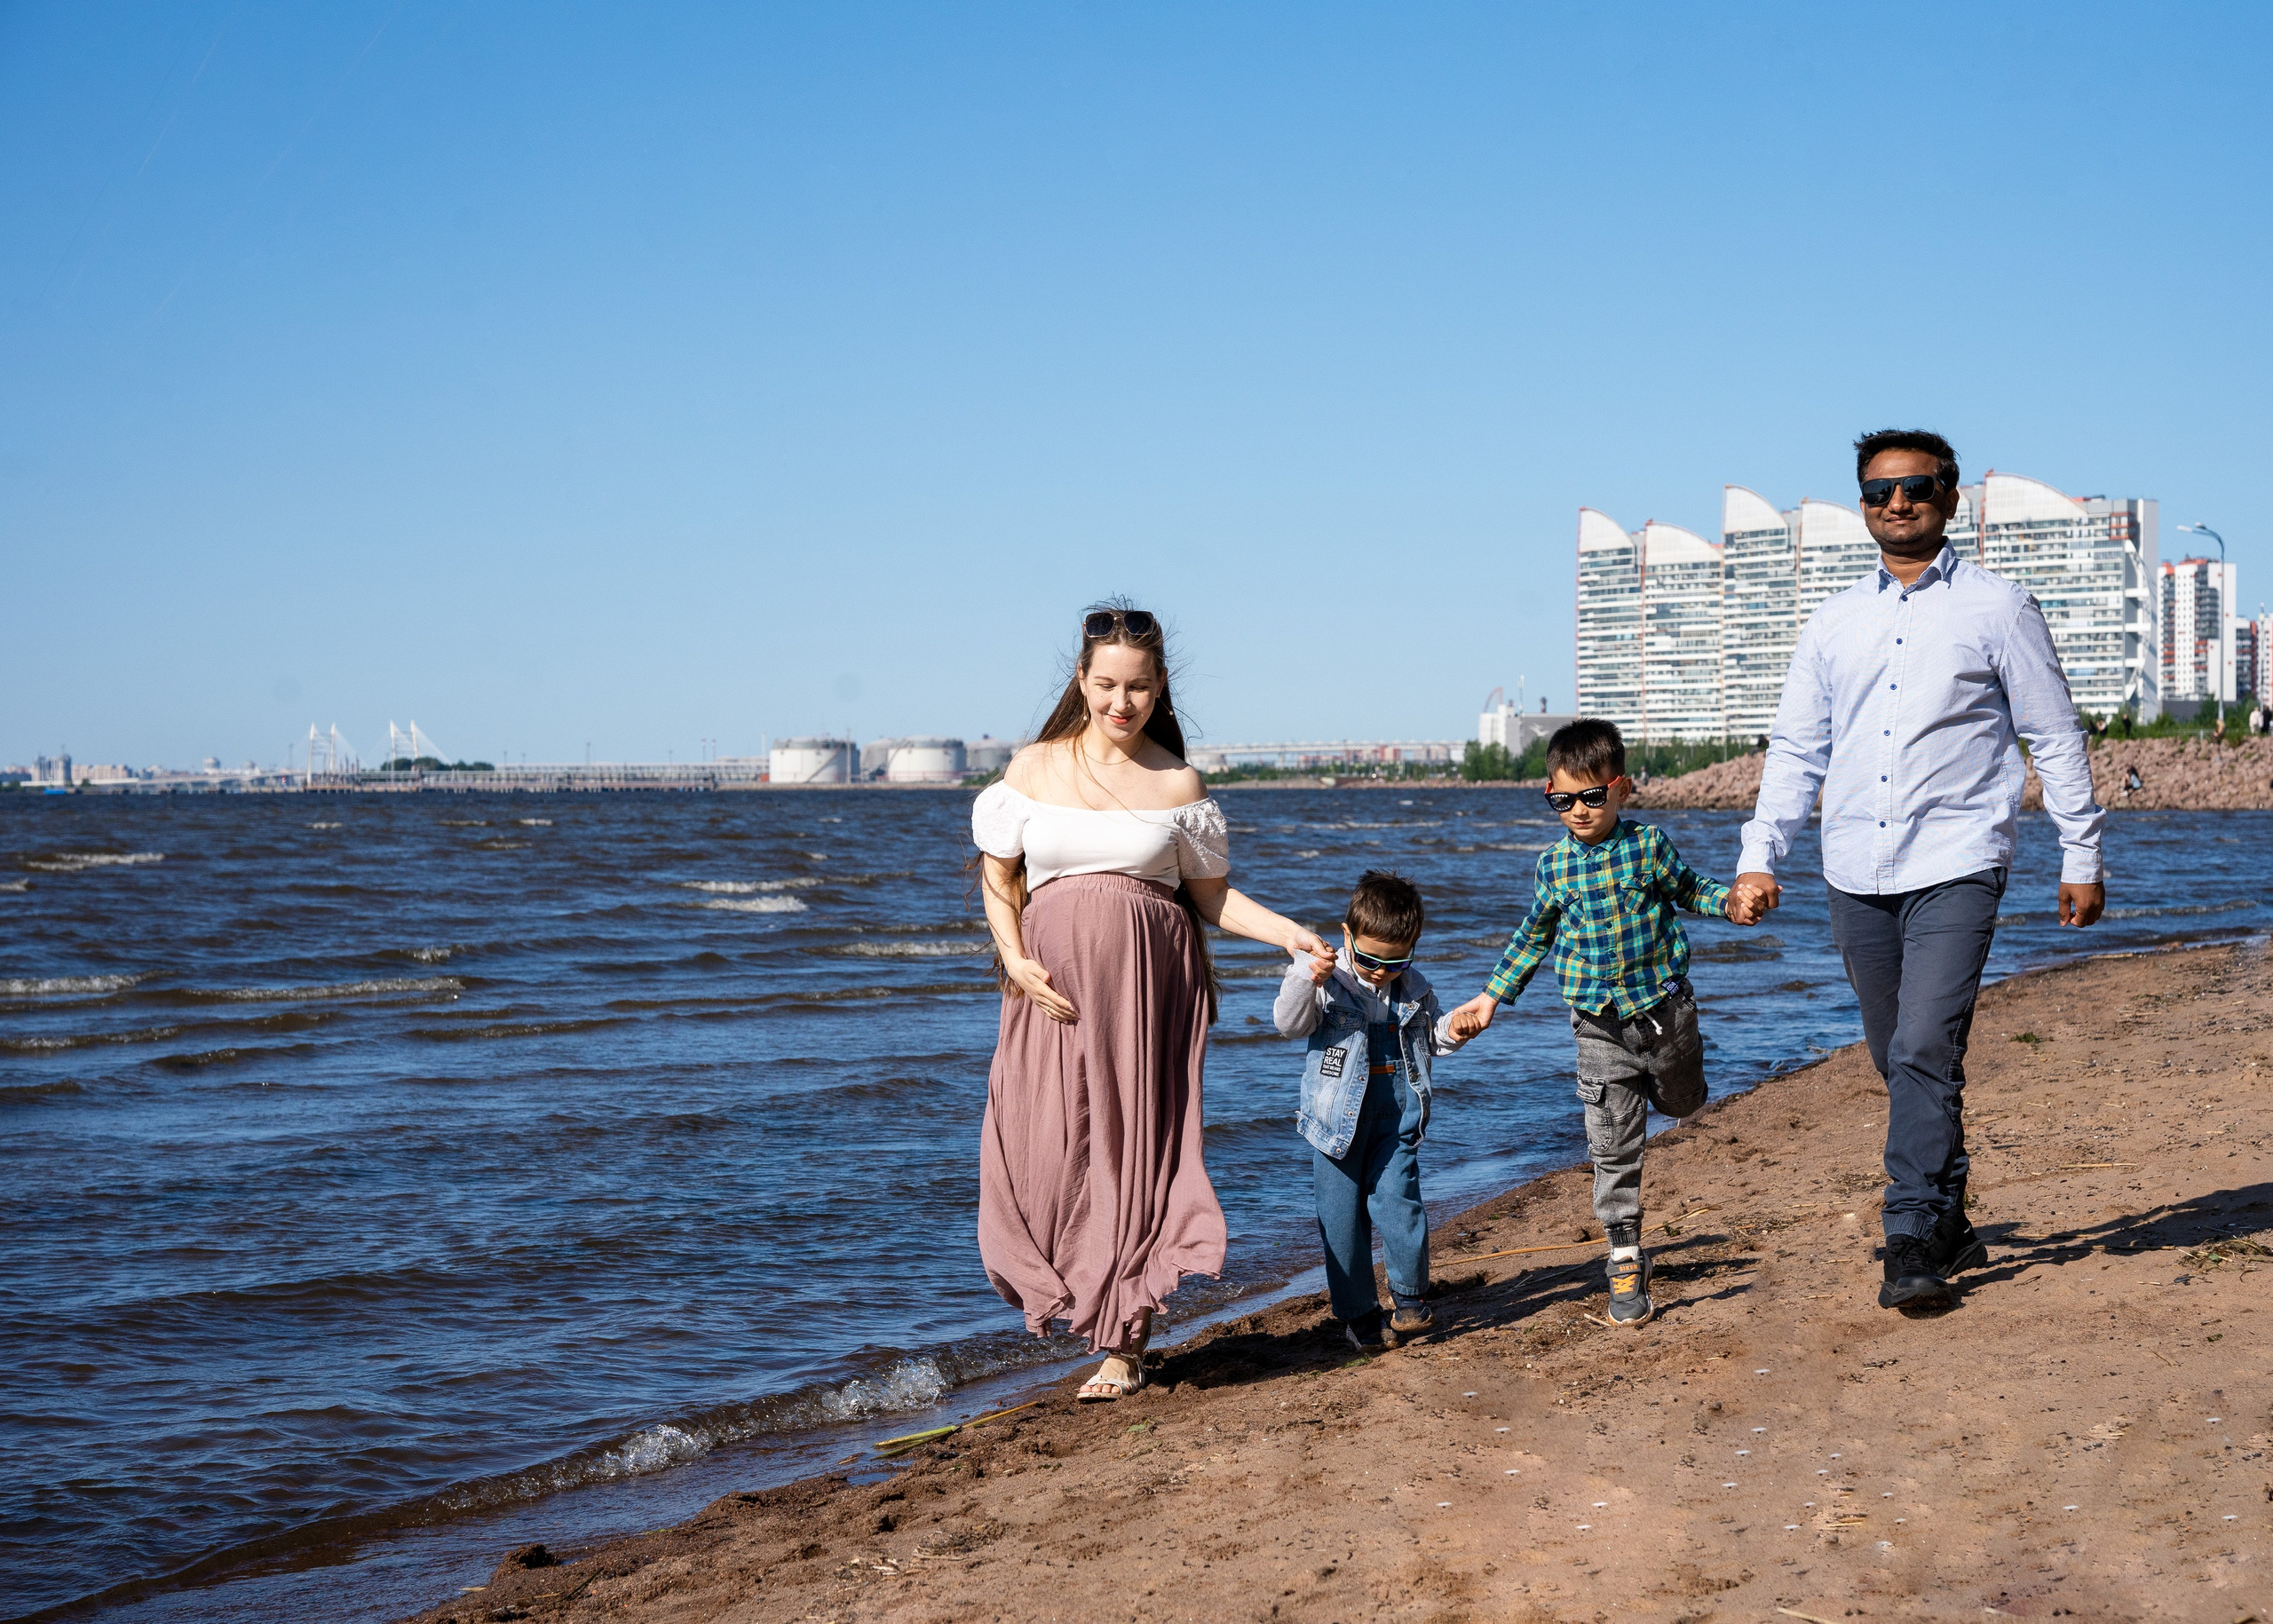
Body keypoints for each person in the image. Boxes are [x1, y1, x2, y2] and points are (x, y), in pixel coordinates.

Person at [1731, 429, 2104, 1312]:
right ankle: (1950, 1211)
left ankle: (1906, 1235)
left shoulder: (2000, 608)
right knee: (1898, 1058)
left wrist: (2080, 854)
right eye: (1878, 490)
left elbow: (2053, 736)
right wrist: (1759, 856)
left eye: (1917, 486)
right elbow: (1795, 750)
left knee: (1922, 1048)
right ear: (1861, 503)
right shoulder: (1832, 621)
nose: (1897, 502)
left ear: (1950, 495)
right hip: (1853, 865)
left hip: (1957, 857)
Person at [971, 603, 1333, 1402]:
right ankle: (1072, 1291)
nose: (1120, 702)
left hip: (1146, 990)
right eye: (1105, 684)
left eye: (1137, 686)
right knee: (1042, 1147)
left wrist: (1288, 934)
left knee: (1135, 1151)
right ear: (1081, 679)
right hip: (1050, 990)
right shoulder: (1033, 768)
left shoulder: (1178, 782)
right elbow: (1000, 877)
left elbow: (1213, 898)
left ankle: (1124, 1340)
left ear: (1160, 683)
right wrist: (1017, 961)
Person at [1450, 719, 1762, 1327]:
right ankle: (1624, 1255)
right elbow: (1532, 936)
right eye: (1562, 800)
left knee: (1681, 1102)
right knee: (1612, 1144)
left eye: (1592, 796)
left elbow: (1690, 888)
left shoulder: (1648, 846)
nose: (1579, 810)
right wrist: (1491, 997)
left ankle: (1678, 1084)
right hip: (1597, 1027)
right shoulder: (1552, 867)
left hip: (1666, 1015)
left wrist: (1729, 902)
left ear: (1621, 789)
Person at [1273, 870, 1469, 1351]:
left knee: (1400, 1205)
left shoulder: (1416, 989)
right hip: (1334, 1123)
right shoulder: (1327, 980)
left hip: (1397, 1117)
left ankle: (1409, 1299)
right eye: (1368, 959)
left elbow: (1428, 1041)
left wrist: (1453, 1031)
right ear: (1346, 937)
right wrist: (1304, 975)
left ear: (1413, 949)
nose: (1381, 970)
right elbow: (1289, 1024)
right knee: (1340, 1219)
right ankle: (1360, 1316)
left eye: (1397, 961)